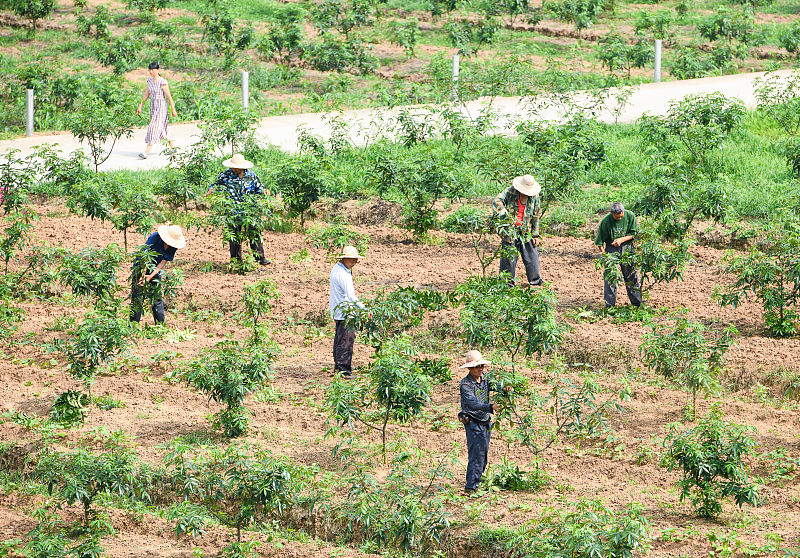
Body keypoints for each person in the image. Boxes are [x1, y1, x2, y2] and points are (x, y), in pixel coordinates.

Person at [458, 350, 510, 492]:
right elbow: (473, 404)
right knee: (476, 454)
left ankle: (478, 481)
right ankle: (471, 487)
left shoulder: (485, 378)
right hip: (473, 421)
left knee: (483, 453)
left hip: (485, 421)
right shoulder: (466, 385)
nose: (480, 369)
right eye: (477, 366)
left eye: (482, 366)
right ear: (469, 368)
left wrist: (505, 388)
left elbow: (495, 386)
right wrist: (491, 407)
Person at [208, 153, 270, 266]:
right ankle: (236, 261)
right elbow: (216, 185)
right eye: (233, 166)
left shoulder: (251, 175)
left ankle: (260, 258)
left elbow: (259, 188)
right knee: (234, 236)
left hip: (250, 210)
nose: (233, 168)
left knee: (255, 233)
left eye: (236, 167)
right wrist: (211, 189)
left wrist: (264, 191)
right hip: (233, 211)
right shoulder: (225, 175)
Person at [492, 174, 543, 286]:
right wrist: (505, 214)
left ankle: (535, 282)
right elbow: (497, 201)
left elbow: (536, 215)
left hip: (526, 230)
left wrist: (535, 235)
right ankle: (506, 284)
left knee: (532, 256)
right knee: (509, 258)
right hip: (510, 231)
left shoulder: (534, 196)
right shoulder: (510, 192)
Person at [130, 224, 186, 324]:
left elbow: (163, 262)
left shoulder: (173, 246)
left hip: (155, 267)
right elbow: (145, 257)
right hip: (141, 265)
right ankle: (133, 324)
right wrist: (142, 276)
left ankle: (160, 325)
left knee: (156, 295)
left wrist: (150, 276)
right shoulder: (154, 238)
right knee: (137, 294)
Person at [595, 202, 642, 308]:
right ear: (612, 214)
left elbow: (634, 233)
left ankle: (637, 304)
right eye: (617, 217)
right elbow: (599, 242)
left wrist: (621, 239)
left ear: (623, 212)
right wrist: (605, 257)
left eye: (621, 216)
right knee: (610, 277)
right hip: (611, 249)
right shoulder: (606, 222)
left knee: (631, 275)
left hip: (627, 247)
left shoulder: (630, 216)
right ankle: (609, 306)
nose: (620, 218)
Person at [329, 246, 366, 377]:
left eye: (356, 260)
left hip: (338, 310)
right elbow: (351, 296)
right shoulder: (342, 274)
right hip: (345, 311)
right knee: (346, 341)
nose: (354, 263)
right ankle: (344, 371)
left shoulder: (337, 269)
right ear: (344, 259)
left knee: (340, 339)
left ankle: (338, 367)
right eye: (352, 260)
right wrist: (365, 310)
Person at [136, 62, 177, 160]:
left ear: (158, 70)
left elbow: (169, 97)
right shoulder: (149, 81)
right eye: (149, 70)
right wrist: (140, 106)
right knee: (163, 130)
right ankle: (174, 149)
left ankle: (146, 152)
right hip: (153, 107)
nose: (151, 72)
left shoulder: (162, 82)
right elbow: (146, 94)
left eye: (153, 70)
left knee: (153, 128)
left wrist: (173, 109)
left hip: (162, 108)